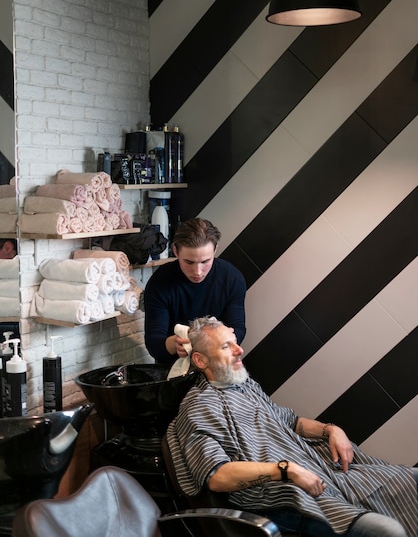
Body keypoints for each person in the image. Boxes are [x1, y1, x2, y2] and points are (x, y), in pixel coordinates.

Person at [167, 316, 418, 537]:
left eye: (234, 342)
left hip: (319, 469)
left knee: (412, 480)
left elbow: (291, 421)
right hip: (284, 497)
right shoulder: (200, 407)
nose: (239, 349)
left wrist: (331, 430)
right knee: (388, 531)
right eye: (226, 346)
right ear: (200, 360)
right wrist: (287, 470)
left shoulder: (244, 385)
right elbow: (217, 476)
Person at [144, 218, 246, 365]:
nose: (197, 272)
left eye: (205, 261)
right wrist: (174, 344)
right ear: (176, 252)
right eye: (189, 262)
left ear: (215, 249)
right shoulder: (160, 282)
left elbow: (238, 328)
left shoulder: (231, 279)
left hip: (218, 364)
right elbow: (154, 343)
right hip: (172, 370)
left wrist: (224, 337)